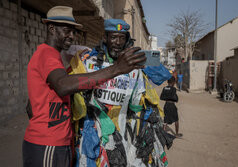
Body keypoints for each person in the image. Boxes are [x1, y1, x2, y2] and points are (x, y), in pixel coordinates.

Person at [23, 6, 146, 167]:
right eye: (67, 31)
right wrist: (116, 69)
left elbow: (31, 105)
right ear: (51, 29)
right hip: (48, 143)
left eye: (73, 32)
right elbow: (63, 85)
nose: (72, 36)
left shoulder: (55, 57)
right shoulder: (48, 54)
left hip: (60, 141)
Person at [70, 19, 171, 167]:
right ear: (105, 38)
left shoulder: (135, 69)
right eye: (113, 37)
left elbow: (136, 105)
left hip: (122, 135)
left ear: (127, 40)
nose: (117, 42)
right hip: (92, 135)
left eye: (122, 38)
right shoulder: (88, 62)